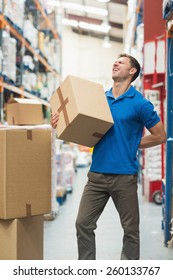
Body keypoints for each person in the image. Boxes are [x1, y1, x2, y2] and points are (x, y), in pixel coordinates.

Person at [51, 53, 167, 260]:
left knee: (130, 230)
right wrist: (59, 121)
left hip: (124, 176)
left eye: (121, 62)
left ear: (132, 72)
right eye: (115, 61)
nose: (115, 63)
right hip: (96, 175)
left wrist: (133, 144)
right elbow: (79, 126)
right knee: (83, 223)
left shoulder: (139, 103)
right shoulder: (99, 100)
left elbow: (160, 135)